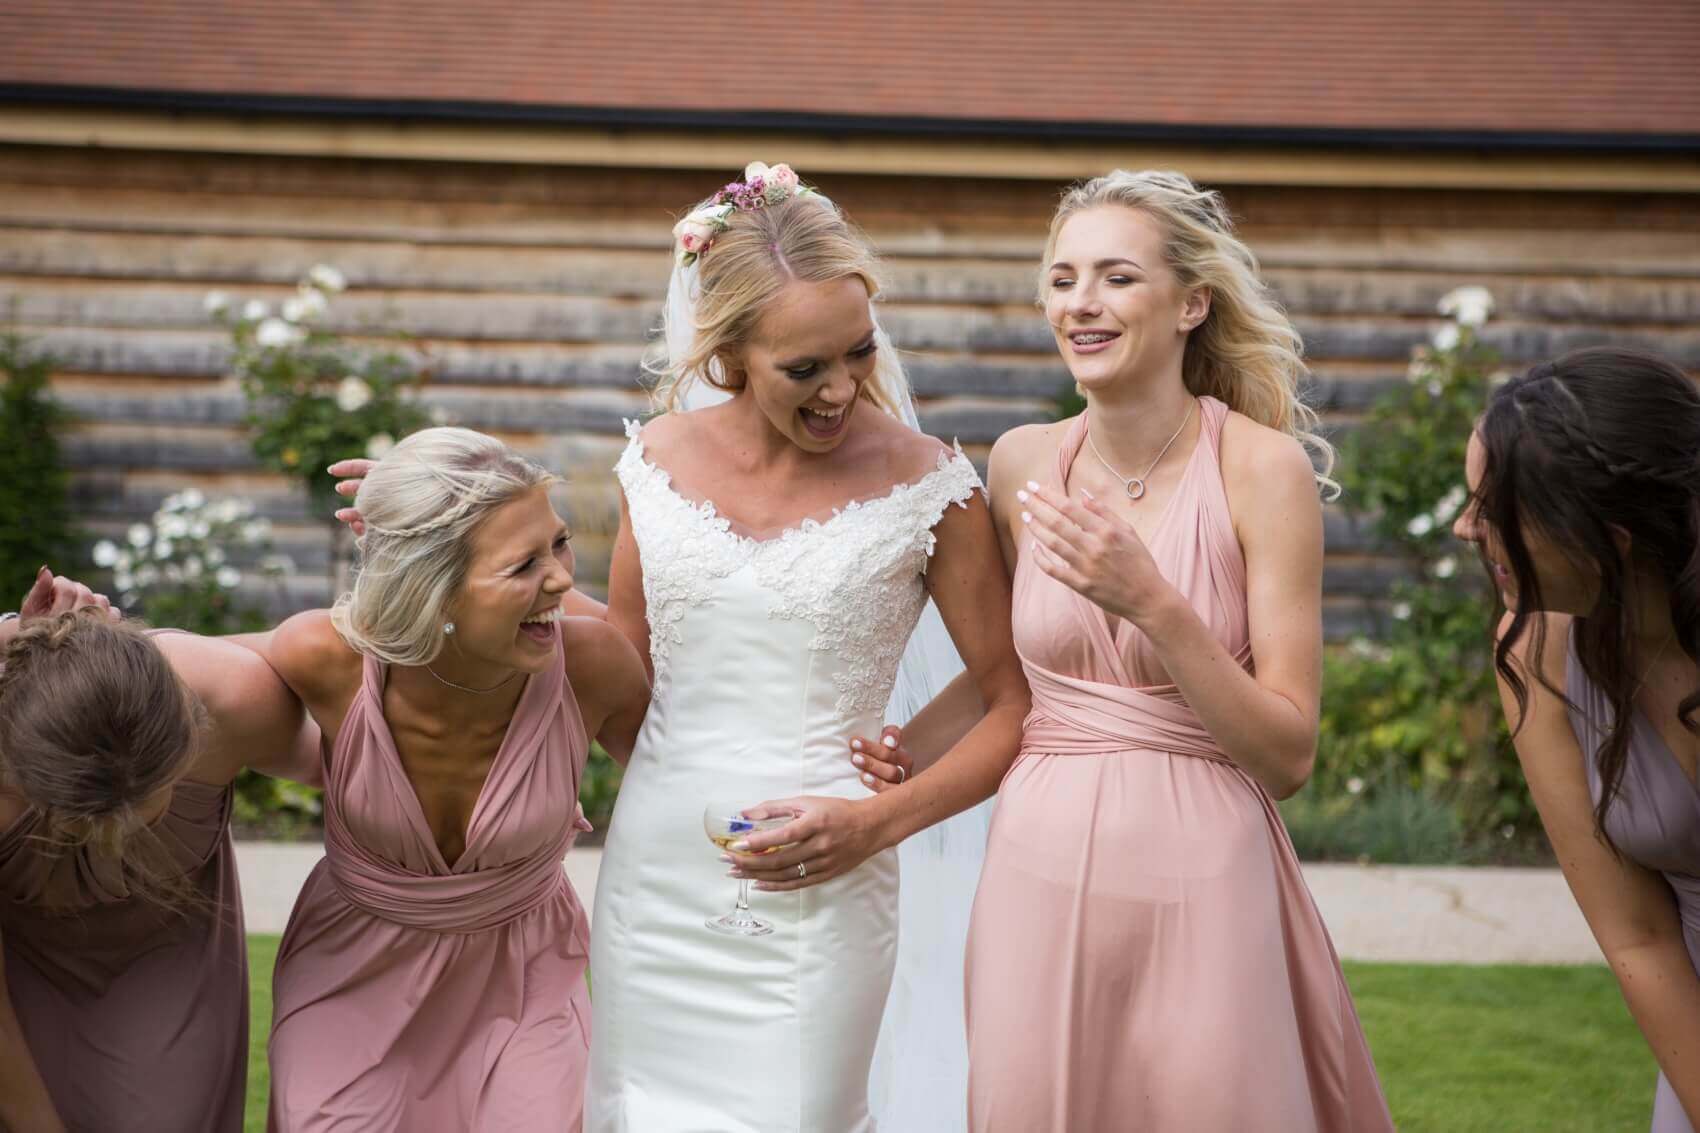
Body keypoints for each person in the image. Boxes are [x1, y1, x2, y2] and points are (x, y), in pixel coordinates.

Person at [860, 169, 1392, 1131]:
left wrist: (1153, 603)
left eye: (1116, 277)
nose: (1081, 303)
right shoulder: (1024, 462)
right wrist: (903, 751)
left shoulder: (1261, 470)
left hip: (1205, 872)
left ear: (1192, 303)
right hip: (1037, 864)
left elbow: (1288, 754)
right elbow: (1013, 677)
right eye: (1062, 280)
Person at [579, 163, 1028, 1132]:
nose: (841, 389)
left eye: (858, 353)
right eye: (805, 368)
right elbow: (620, 674)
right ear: (729, 354)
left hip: (828, 881)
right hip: (658, 881)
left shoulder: (933, 487)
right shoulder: (653, 461)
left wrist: (878, 822)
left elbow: (1013, 698)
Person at [258, 427, 650, 1131]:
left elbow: (694, 762)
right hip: (352, 978)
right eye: (523, 562)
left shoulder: (590, 665)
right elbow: (174, 680)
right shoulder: (325, 656)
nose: (564, 579)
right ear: (431, 588)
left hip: (525, 983)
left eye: (558, 543)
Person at [1456, 347, 1700, 1132]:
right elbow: (1640, 937)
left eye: (1492, 508)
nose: (1466, 528)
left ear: (1607, 536)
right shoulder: (1535, 652)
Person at [0, 570, 319, 1133]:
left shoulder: (227, 693)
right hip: (22, 974)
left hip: (173, 965)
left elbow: (372, 764)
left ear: (190, 734)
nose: (114, 836)